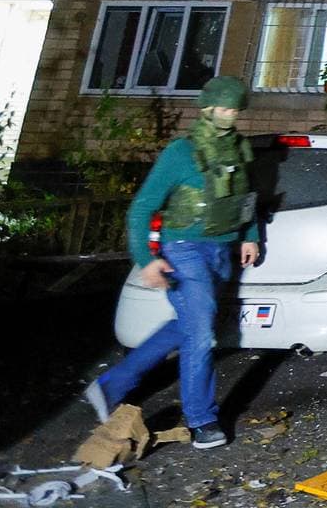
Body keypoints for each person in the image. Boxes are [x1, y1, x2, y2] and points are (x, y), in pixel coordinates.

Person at [80, 76, 261, 450]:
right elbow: (142, 208)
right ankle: (202, 419)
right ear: (207, 108)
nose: (229, 116)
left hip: (221, 251)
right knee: (201, 335)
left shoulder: (239, 149)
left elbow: (246, 197)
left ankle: (110, 385)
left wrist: (251, 235)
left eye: (234, 110)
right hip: (184, 250)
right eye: (223, 109)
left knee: (187, 325)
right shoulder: (181, 152)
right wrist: (146, 260)